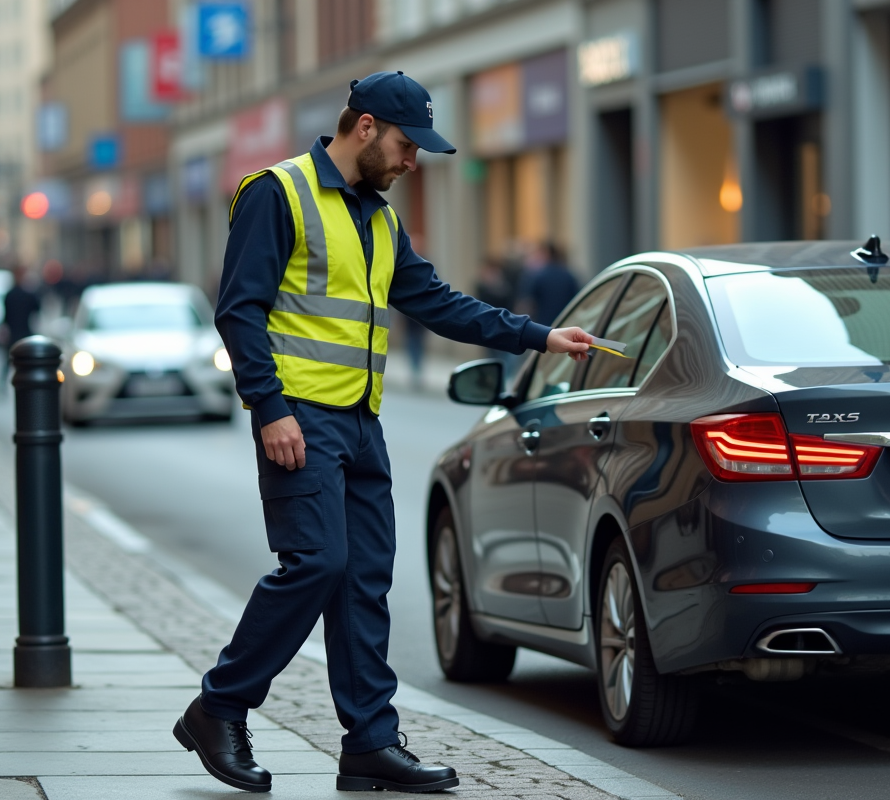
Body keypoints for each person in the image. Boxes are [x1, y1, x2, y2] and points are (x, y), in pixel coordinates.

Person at [172, 71, 592, 795]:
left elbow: (435, 301)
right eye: (405, 144)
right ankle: (219, 707)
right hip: (300, 420)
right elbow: (239, 310)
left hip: (361, 422)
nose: (411, 161)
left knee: (366, 579)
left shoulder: (378, 216)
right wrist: (269, 408)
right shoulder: (278, 193)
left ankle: (369, 743)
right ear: (364, 127)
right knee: (318, 564)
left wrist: (541, 336)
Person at [0, 265, 42, 392]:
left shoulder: (9, 294)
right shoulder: (27, 294)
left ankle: (2, 385)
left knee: (8, 361)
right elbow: (37, 310)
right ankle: (26, 382)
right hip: (24, 332)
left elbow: (5, 317)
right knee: (23, 361)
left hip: (13, 333)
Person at [517, 240, 580, 327]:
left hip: (544, 325)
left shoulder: (538, 276)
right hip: (566, 323)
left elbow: (527, 303)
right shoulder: (568, 275)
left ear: (546, 254)